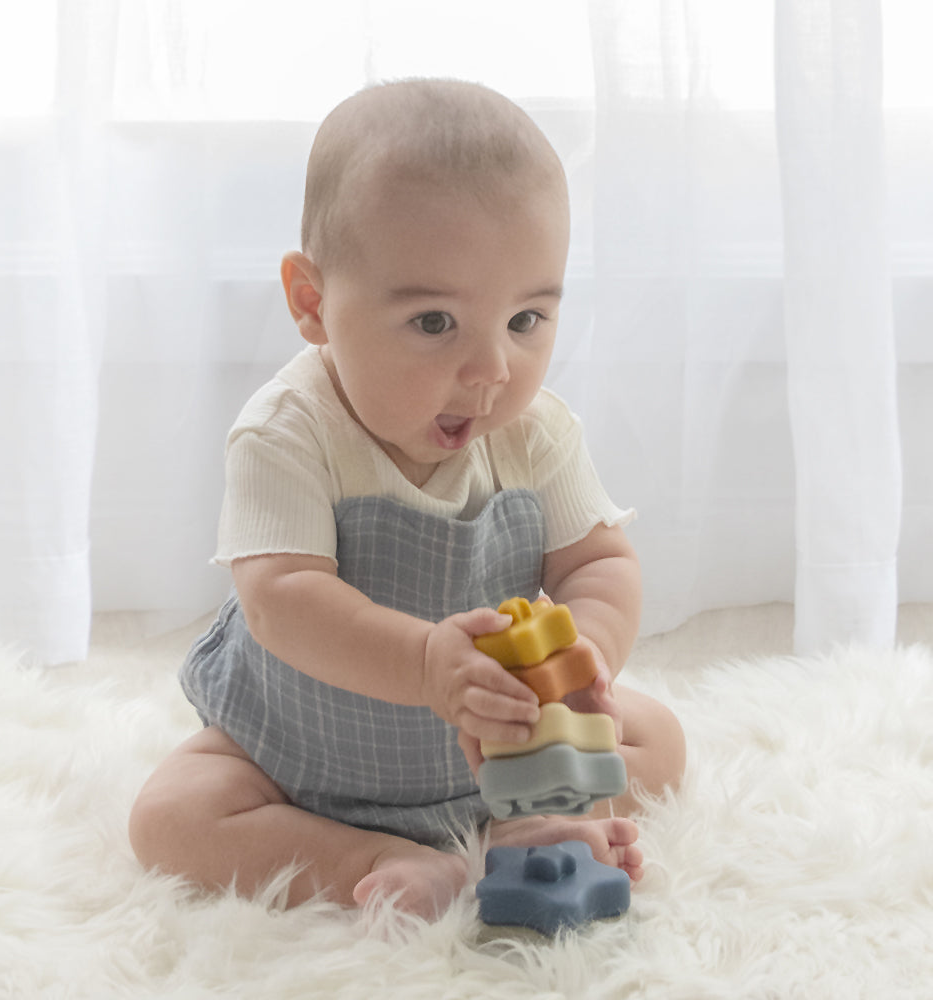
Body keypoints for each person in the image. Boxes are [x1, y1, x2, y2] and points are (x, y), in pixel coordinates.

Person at [129, 78, 686, 920]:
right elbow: (282, 599)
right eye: (435, 323)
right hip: (306, 751)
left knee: (658, 740)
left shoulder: (535, 432)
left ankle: (527, 824)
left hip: (495, 746)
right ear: (313, 304)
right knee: (172, 816)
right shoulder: (288, 433)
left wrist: (588, 661)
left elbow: (599, 562)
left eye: (527, 320)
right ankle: (378, 858)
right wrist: (428, 663)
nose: (493, 370)